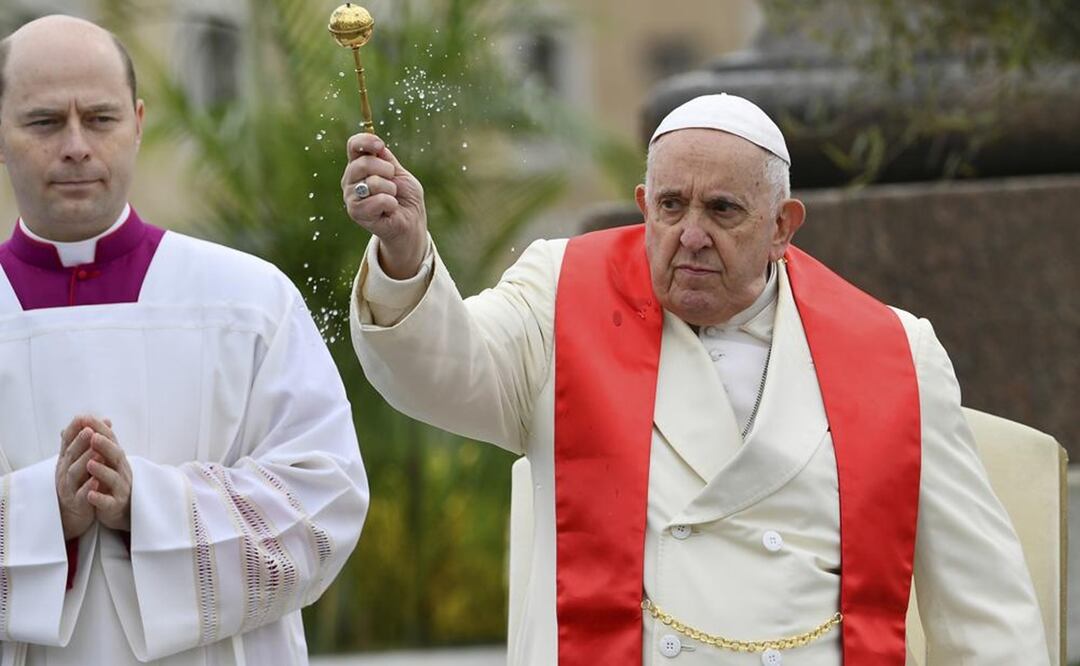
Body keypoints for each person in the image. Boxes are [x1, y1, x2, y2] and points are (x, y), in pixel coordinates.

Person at [343, 93, 1048, 665]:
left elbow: (984, 606)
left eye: (723, 210)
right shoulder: (561, 294)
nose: (691, 234)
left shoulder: (896, 351)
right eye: (672, 206)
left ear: (783, 226)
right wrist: (405, 254)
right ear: (644, 204)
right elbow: (445, 371)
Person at [0, 15, 368, 666]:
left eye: (101, 118)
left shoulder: (250, 301)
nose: (77, 146)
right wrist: (44, 513)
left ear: (138, 123)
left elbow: (326, 505)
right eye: (45, 122)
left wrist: (147, 507)